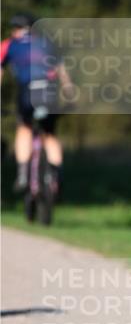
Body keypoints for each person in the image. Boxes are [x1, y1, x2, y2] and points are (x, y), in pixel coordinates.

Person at [0, 13, 69, 192]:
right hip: (48, 91)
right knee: (50, 134)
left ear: (15, 29)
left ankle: (23, 175)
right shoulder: (47, 43)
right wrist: (68, 89)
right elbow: (61, 70)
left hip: (27, 91)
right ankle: (56, 176)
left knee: (24, 128)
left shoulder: (9, 44)